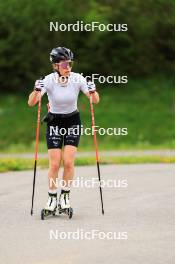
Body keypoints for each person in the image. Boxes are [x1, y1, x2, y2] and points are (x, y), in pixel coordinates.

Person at [28, 46, 100, 213]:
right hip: (54, 122)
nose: (68, 67)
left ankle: (65, 197)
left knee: (68, 162)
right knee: (54, 164)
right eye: (64, 64)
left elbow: (94, 101)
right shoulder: (49, 80)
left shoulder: (77, 79)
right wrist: (36, 89)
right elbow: (32, 102)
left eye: (70, 63)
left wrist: (93, 90)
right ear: (55, 65)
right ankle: (52, 198)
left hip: (72, 121)